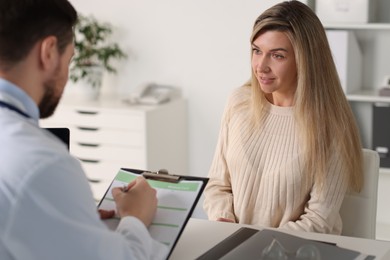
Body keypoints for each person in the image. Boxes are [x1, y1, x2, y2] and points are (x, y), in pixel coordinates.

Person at [0, 0, 168, 259]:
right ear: (49, 52)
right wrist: (135, 217)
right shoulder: (42, 162)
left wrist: (71, 217)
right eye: (70, 59)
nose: (67, 75)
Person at [203, 0, 363, 235]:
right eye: (257, 51)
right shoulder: (238, 102)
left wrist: (255, 245)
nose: (261, 67)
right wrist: (223, 223)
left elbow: (319, 220)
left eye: (277, 56)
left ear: (305, 60)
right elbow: (217, 184)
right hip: (234, 245)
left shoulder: (331, 125)